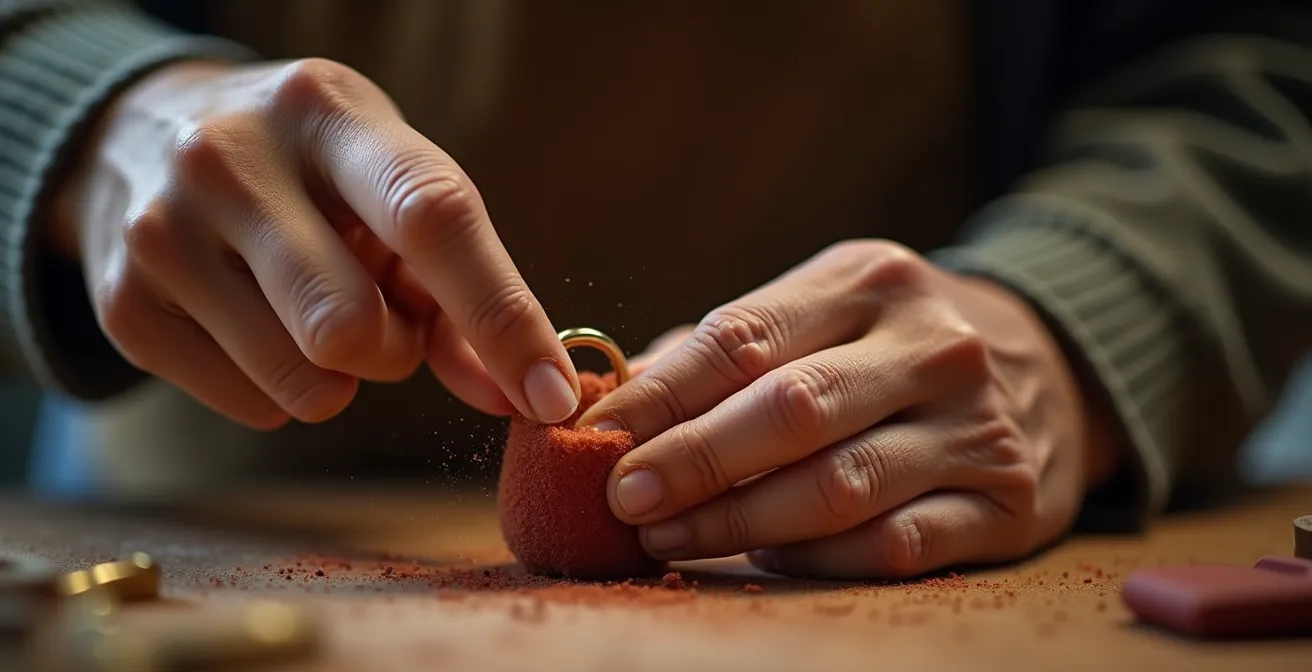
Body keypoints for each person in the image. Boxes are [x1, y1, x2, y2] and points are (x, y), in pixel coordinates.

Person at [2, 0, 1310, 579]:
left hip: (898, 542)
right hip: (191, 518)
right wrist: (73, 109)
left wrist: (1078, 312)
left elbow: (1252, 68)